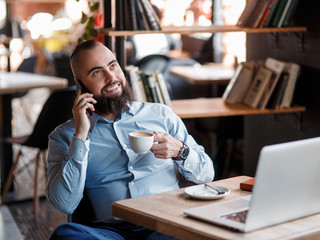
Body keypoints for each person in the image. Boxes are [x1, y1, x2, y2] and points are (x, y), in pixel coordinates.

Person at [46, 40, 215, 240]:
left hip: (164, 224)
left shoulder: (161, 115)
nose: (111, 77)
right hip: (111, 232)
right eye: (97, 72)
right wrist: (81, 135)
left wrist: (181, 151)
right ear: (80, 84)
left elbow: (207, 175)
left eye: (112, 65)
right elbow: (64, 203)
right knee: (65, 235)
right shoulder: (65, 136)